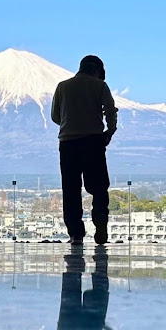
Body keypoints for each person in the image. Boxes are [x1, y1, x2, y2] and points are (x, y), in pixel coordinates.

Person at [51, 55, 117, 245]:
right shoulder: (99, 86)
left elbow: (56, 116)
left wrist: (70, 121)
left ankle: (76, 233)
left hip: (68, 143)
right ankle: (101, 223)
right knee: (99, 187)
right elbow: (110, 111)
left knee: (71, 189)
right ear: (97, 71)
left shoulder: (62, 87)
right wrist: (109, 131)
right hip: (93, 141)